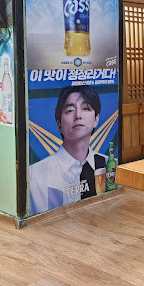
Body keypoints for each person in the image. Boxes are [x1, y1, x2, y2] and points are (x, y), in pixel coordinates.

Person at [29, 86, 109, 215]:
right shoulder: (34, 176)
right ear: (59, 124)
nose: (78, 116)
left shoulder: (110, 165)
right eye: (70, 110)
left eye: (85, 108)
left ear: (96, 120)